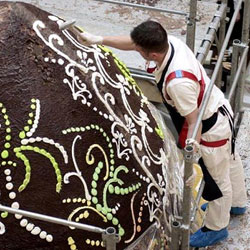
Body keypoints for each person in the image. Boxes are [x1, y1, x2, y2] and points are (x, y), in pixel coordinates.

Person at [79, 20, 247, 248]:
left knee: (216, 178)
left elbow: (194, 120)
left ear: (153, 54)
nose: (136, 51)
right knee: (231, 158)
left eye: (140, 51)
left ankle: (216, 227)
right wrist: (100, 39)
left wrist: (193, 157)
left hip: (209, 125)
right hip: (216, 105)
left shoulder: (177, 82)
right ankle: (237, 204)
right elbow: (134, 43)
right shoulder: (171, 43)